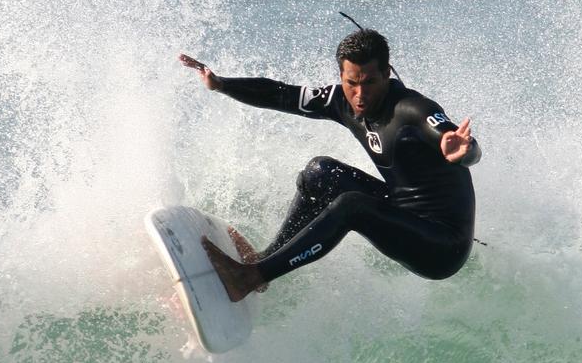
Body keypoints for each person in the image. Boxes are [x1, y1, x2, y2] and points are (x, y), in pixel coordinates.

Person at [178, 29, 480, 302]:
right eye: (352, 83)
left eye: (370, 82)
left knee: (352, 206)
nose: (360, 95)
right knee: (320, 173)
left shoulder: (412, 109)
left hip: (442, 246)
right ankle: (263, 262)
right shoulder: (340, 101)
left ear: (387, 73)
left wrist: (463, 152)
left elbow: (462, 143)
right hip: (403, 211)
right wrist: (222, 84)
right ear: (341, 75)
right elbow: (282, 95)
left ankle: (250, 277)